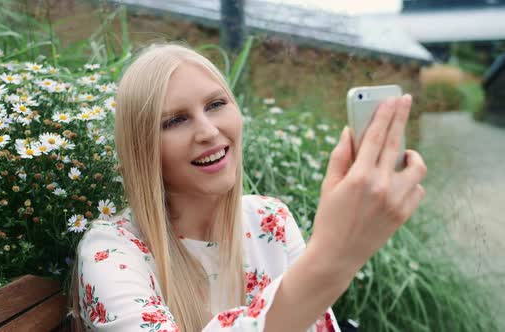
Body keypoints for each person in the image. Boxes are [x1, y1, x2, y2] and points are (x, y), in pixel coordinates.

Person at [68, 42, 427, 332]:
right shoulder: (111, 250)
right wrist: (334, 256)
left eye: (216, 104)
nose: (208, 131)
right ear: (142, 148)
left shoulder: (270, 219)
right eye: (176, 120)